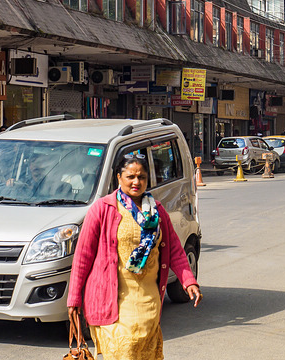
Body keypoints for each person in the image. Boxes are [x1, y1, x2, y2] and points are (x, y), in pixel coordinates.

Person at [67, 153, 201, 359]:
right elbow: (83, 257)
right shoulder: (102, 209)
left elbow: (174, 249)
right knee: (124, 350)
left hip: (148, 301)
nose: (136, 182)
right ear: (119, 178)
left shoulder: (157, 213)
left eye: (142, 177)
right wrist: (74, 298)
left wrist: (188, 281)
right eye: (130, 176)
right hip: (111, 300)